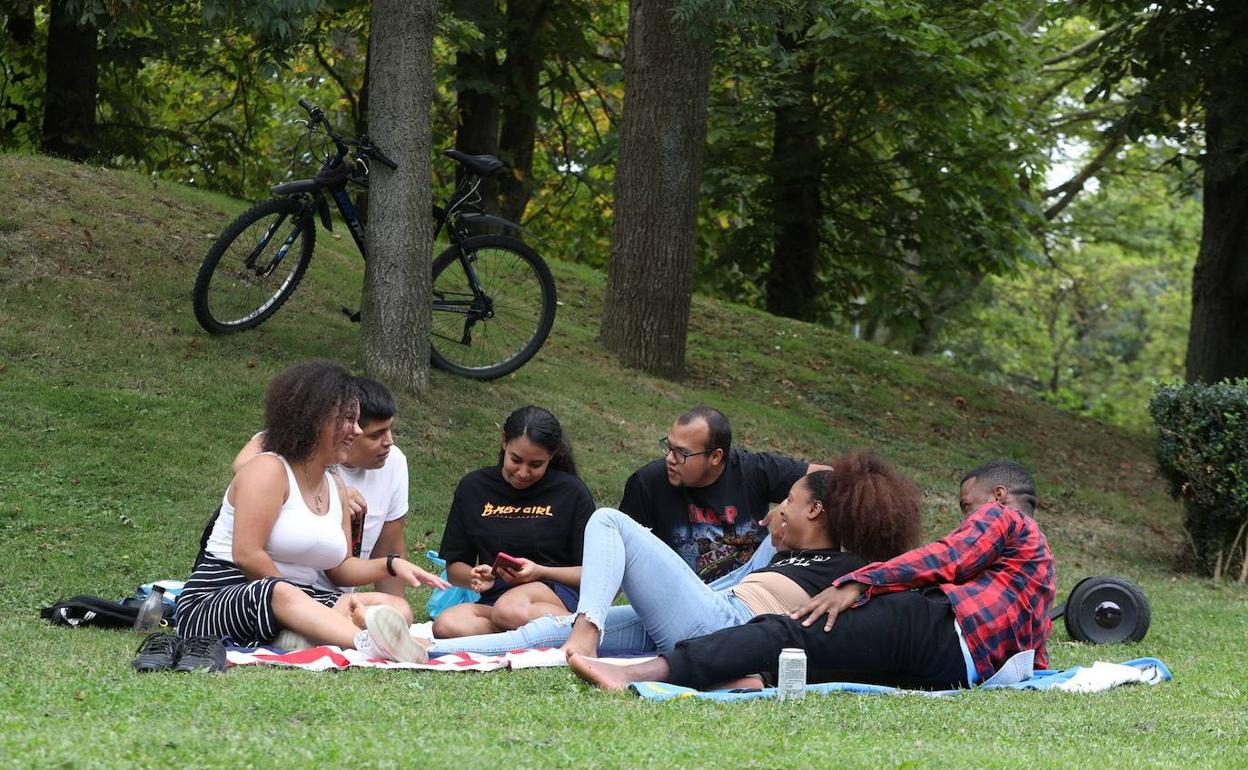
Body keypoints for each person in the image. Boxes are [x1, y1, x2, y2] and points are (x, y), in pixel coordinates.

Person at [568, 460, 1056, 692]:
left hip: (937, 630)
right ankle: (749, 679)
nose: (965, 516)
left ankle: (635, 674)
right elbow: (1036, 655)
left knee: (792, 631)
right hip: (950, 671)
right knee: (826, 658)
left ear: (996, 496)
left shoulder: (1003, 518)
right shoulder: (1042, 572)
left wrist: (860, 583)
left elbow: (946, 558)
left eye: (966, 507)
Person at [429, 451, 921, 658]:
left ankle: (586, 630)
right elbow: (743, 575)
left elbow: (905, 576)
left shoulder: (852, 571)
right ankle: (429, 654)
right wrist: (782, 524)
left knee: (608, 521)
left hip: (721, 625)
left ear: (815, 509)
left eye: (788, 502)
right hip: (705, 609)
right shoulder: (783, 552)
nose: (777, 511)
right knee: (551, 630)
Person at [176, 361, 449, 663]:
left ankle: (297, 634)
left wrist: (392, 565)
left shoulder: (334, 485)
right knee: (280, 593)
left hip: (299, 597)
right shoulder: (268, 469)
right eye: (349, 420)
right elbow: (247, 555)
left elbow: (341, 567)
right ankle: (368, 643)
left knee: (397, 608)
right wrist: (306, 603)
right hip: (223, 595)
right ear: (316, 420)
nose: (356, 430)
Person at [231, 376, 410, 597]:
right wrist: (330, 491)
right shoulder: (293, 447)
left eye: (389, 429)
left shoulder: (394, 463)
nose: (389, 442)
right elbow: (243, 467)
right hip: (271, 586)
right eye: (375, 435)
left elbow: (389, 546)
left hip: (329, 593)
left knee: (398, 612)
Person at [432, 405, 595, 639]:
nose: (523, 472)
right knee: (447, 624)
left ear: (551, 455)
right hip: (496, 599)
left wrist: (540, 571)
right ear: (504, 442)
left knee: (510, 609)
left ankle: (578, 629)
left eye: (535, 465)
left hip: (554, 593)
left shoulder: (571, 492)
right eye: (516, 460)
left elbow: (593, 573)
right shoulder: (473, 487)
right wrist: (475, 576)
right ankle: (537, 634)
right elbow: (455, 567)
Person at [620, 405, 830, 584]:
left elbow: (833, 476)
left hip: (750, 591)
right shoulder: (647, 483)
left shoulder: (752, 470)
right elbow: (620, 559)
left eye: (682, 453)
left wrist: (787, 507)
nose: (670, 459)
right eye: (669, 446)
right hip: (682, 599)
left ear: (715, 456)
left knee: (798, 523)